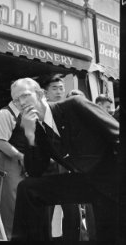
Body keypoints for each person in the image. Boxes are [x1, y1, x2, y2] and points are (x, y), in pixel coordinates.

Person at [11, 78, 119, 242]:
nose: (21, 102)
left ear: (40, 94)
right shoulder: (36, 129)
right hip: (84, 182)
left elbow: (117, 135)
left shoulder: (74, 105)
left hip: (113, 182)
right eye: (16, 100)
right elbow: (35, 171)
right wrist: (30, 136)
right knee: (28, 188)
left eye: (25, 95)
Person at [43, 75, 82, 241]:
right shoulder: (40, 112)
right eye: (54, 88)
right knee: (47, 214)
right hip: (48, 170)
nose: (59, 92)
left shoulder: (69, 112)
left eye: (61, 88)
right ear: (45, 92)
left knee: (72, 213)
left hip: (68, 169)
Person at [0, 80, 29, 239]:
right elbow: (1, 142)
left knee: (24, 204)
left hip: (24, 162)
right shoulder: (5, 114)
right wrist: (20, 156)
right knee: (11, 205)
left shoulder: (27, 114)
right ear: (16, 97)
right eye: (26, 95)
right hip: (10, 163)